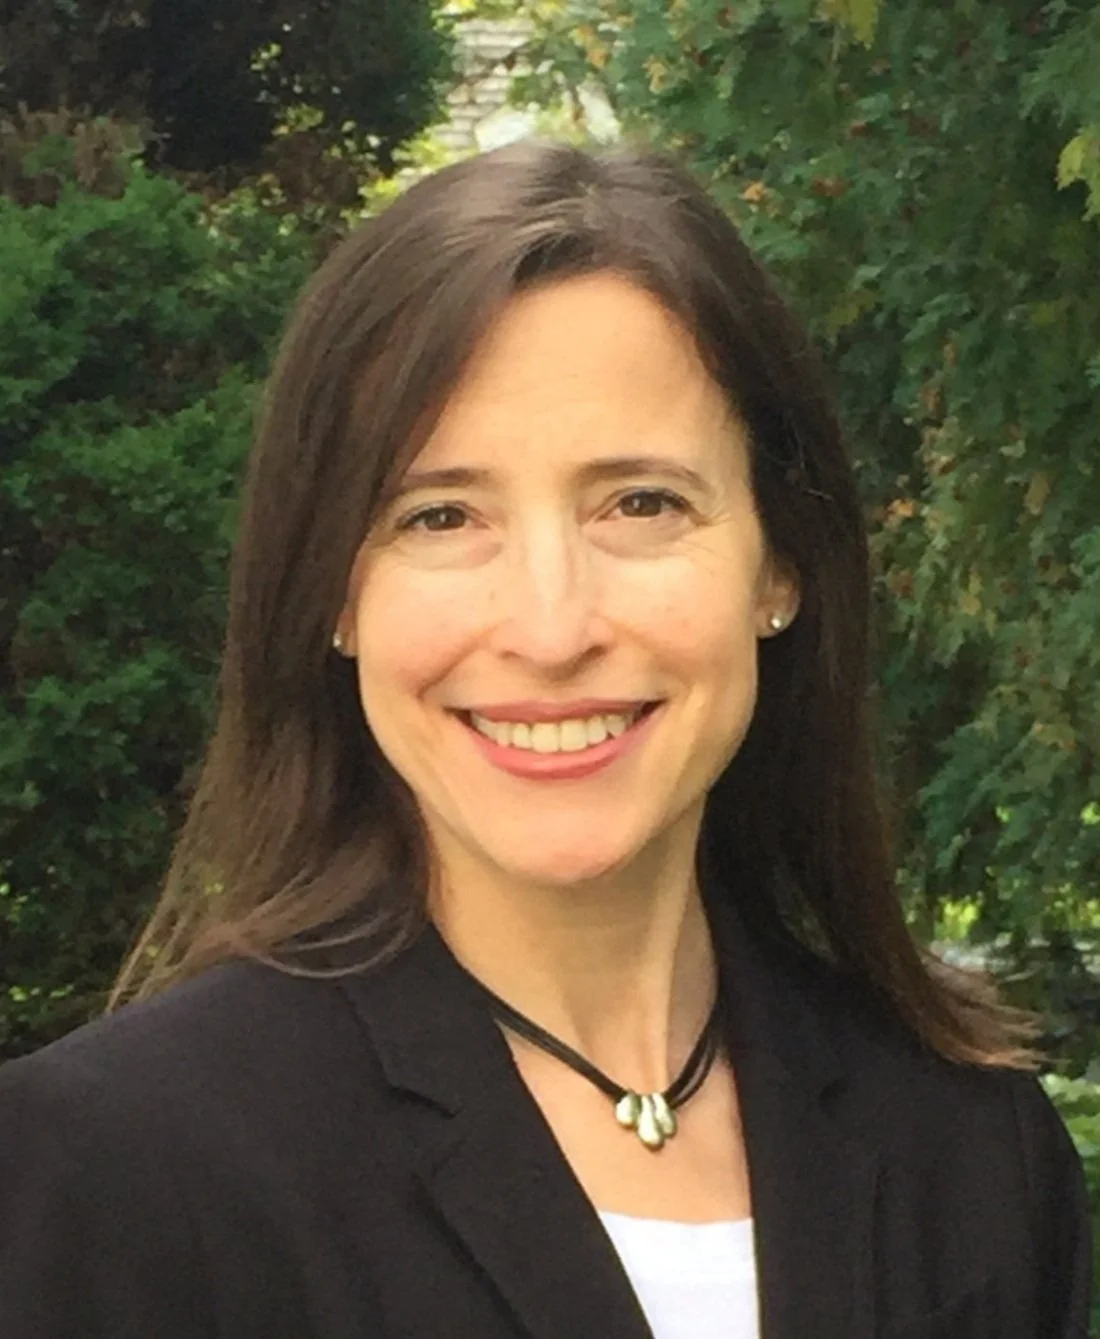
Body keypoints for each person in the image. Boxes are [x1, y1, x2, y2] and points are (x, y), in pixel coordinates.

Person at [0, 138, 1089, 1339]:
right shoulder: (123, 1175)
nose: (551, 626)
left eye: (640, 503)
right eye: (440, 516)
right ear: (332, 595)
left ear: (779, 563)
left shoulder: (970, 1154)